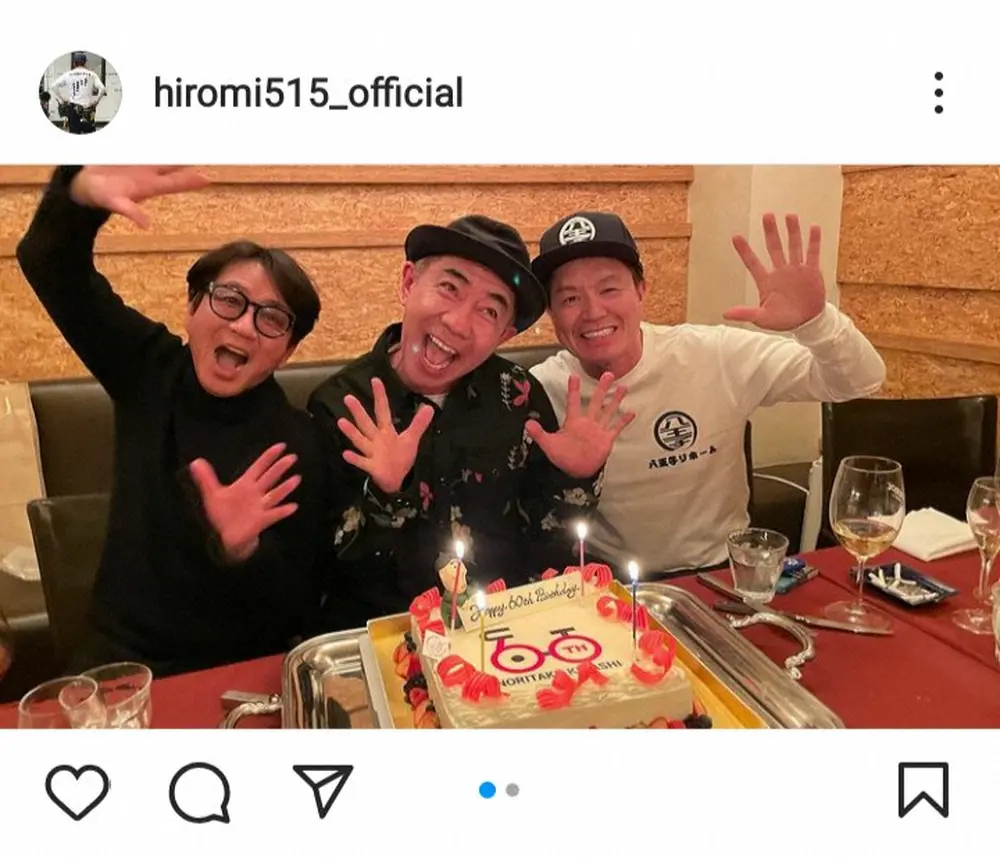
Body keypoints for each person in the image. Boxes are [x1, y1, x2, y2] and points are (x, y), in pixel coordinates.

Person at [16, 166, 330, 676]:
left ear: (287, 351)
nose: (243, 326)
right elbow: (48, 262)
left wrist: (240, 550)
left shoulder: (299, 443)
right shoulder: (148, 369)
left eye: (272, 318)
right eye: (229, 299)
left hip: (230, 669)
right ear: (192, 306)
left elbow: (298, 608)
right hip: (119, 657)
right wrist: (78, 196)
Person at [308, 215, 633, 629]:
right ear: (408, 283)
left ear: (504, 334)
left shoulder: (518, 395)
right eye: (449, 288)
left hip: (505, 632)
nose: (458, 323)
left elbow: (550, 549)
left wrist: (575, 478)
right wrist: (389, 495)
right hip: (388, 637)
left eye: (489, 310)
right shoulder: (341, 405)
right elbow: (330, 574)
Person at [528, 210, 887, 576]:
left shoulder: (713, 355)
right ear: (551, 314)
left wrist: (816, 323)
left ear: (641, 291)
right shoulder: (538, 390)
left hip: (721, 573)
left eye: (608, 289)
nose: (593, 311)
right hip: (607, 580)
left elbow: (860, 380)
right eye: (569, 299)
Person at [49, 52, 106, 134]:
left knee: (74, 133)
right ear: (85, 63)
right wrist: (96, 101)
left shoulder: (68, 75)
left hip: (73, 110)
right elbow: (102, 89)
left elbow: (53, 86)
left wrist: (62, 99)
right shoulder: (91, 74)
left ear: (74, 63)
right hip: (88, 109)